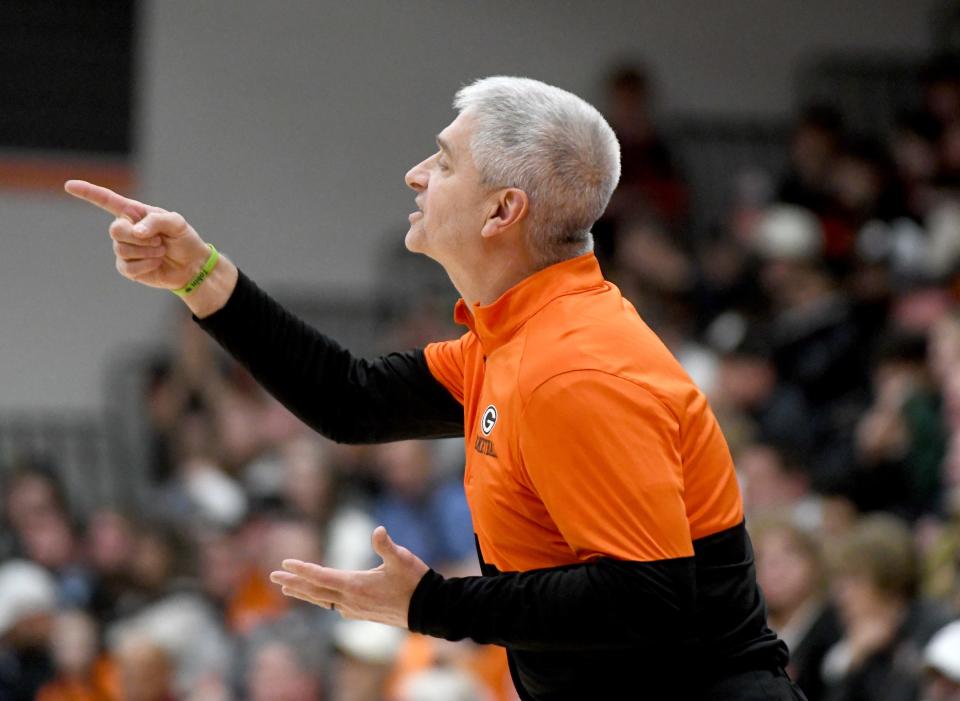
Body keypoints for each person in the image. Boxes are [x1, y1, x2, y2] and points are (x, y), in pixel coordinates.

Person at [66, 76, 801, 700]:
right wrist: (199, 276)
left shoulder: (575, 368)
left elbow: (650, 599)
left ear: (502, 210)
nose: (417, 174)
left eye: (443, 162)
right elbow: (349, 399)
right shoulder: (514, 336)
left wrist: (430, 604)